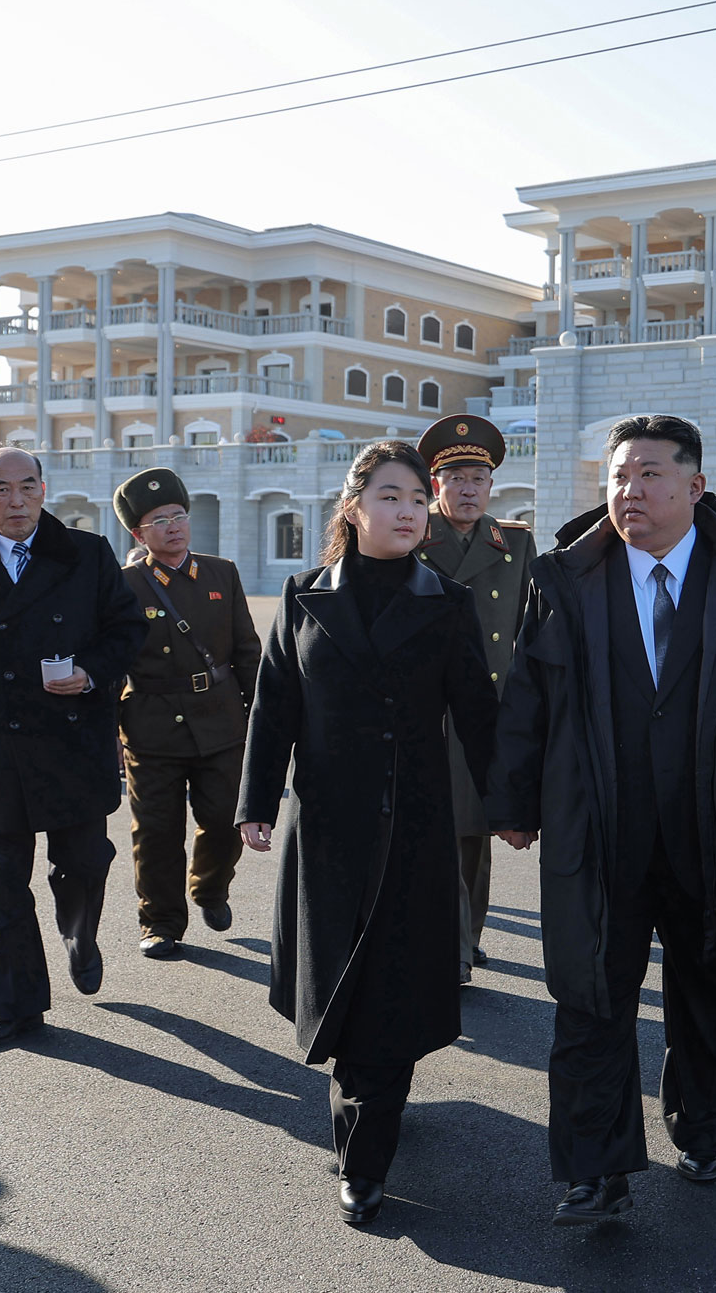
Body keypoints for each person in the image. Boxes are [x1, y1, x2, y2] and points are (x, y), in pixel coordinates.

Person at [487, 414, 716, 1227]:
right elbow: (526, 694)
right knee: (589, 995)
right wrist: (513, 800)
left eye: (647, 474)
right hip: (599, 828)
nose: (628, 491)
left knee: (713, 985)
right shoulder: (564, 576)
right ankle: (591, 1169)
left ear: (694, 485)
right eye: (617, 476)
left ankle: (706, 1128)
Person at [236, 440, 497, 1226]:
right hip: (325, 832)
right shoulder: (304, 593)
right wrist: (255, 799)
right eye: (391, 496)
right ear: (353, 508)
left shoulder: (447, 603)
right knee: (336, 984)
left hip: (413, 830)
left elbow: (480, 719)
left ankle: (365, 1153)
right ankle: (366, 1101)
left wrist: (512, 806)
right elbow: (274, 702)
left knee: (390, 992)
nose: (409, 511)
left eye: (418, 499)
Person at [0, 447, 147, 1049]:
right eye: (1, 488)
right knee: (2, 882)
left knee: (84, 860)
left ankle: (79, 932)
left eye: (26, 487)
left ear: (45, 489)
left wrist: (92, 672)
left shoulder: (87, 553)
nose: (15, 501)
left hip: (73, 736)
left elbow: (128, 629)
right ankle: (18, 1010)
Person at [112, 467, 262, 959]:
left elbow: (246, 649)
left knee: (224, 820)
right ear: (139, 534)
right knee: (156, 830)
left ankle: (210, 886)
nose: (173, 526)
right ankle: (160, 922)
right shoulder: (124, 585)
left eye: (179, 515)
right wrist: (108, 730)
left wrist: (260, 717)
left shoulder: (221, 573)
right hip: (151, 724)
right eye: (159, 520)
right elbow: (112, 663)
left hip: (221, 719)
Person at [413, 413, 535, 984]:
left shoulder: (515, 543)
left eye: (478, 479)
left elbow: (529, 631)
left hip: (489, 711)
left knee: (474, 833)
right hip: (426, 710)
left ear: (491, 487)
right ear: (435, 485)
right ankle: (453, 948)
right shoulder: (412, 535)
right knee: (438, 828)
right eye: (455, 477)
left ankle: (469, 937)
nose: (467, 489)